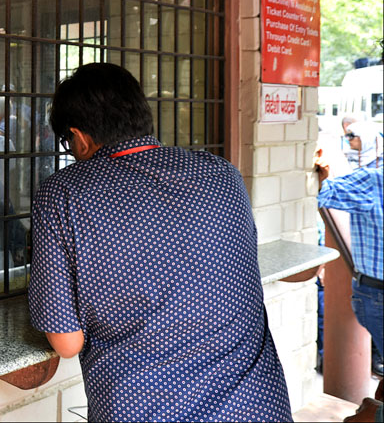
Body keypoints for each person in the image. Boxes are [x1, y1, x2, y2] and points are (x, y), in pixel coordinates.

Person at [28, 63, 292, 422]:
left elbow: (67, 342)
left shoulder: (63, 192)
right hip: (257, 406)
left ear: (80, 136)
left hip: (145, 409)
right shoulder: (223, 173)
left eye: (68, 142)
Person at [315, 141, 384, 383]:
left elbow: (323, 192)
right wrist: (323, 172)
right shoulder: (373, 182)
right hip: (377, 294)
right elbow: (323, 192)